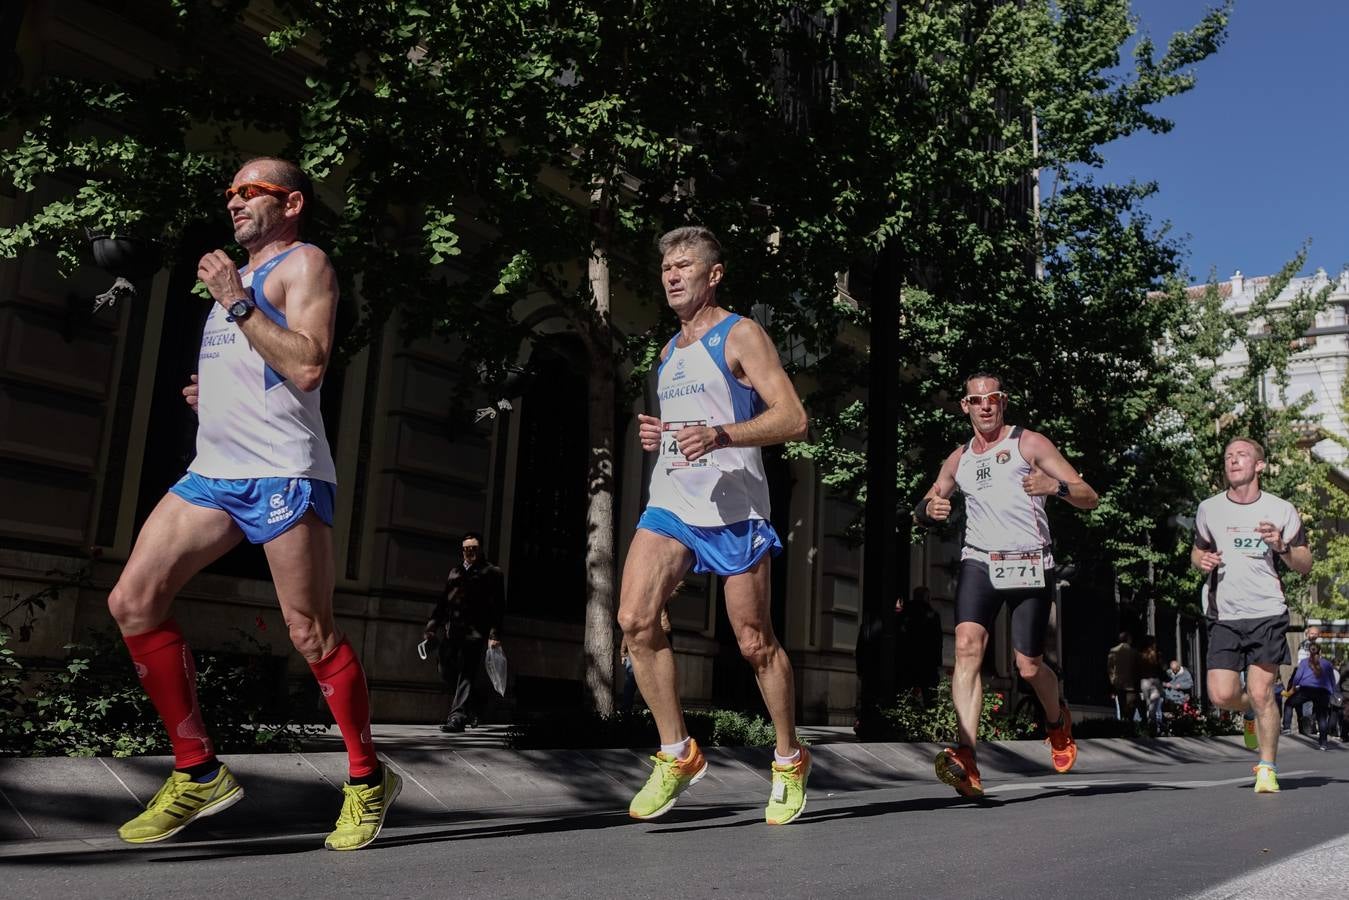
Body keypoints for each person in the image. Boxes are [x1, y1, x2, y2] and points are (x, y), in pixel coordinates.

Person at [107, 158, 399, 850]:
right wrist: (218, 394)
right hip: (214, 473)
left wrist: (236, 299)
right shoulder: (230, 283)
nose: (232, 201)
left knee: (310, 634)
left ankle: (365, 779)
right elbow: (264, 370)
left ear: (291, 202)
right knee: (132, 602)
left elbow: (305, 364)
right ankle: (197, 771)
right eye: (229, 191)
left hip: (281, 475)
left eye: (249, 191)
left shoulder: (305, 265)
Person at [617, 226, 811, 825]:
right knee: (634, 619)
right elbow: (685, 431)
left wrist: (722, 434)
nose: (672, 275)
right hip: (673, 502)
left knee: (755, 643)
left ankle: (788, 758)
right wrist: (660, 437)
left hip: (736, 510)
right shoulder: (669, 353)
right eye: (666, 268)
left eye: (683, 266)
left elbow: (794, 419)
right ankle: (677, 753)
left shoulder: (741, 334)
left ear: (713, 274)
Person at [916, 372, 1099, 797]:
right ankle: (967, 756)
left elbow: (1090, 496)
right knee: (965, 646)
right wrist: (931, 509)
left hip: (1029, 562)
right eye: (976, 400)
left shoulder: (1029, 443)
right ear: (965, 406)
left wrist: (1056, 487)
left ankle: (1057, 722)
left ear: (1002, 403)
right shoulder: (958, 459)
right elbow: (924, 505)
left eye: (992, 399)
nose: (985, 406)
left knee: (1028, 666)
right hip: (980, 561)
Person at [1192, 437, 1313, 792]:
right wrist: (1204, 561)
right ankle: (1249, 713)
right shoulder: (1208, 509)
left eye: (1242, 455)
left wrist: (1282, 546)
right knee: (1221, 696)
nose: (1233, 461)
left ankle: (1266, 766)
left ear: (1259, 465)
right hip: (1225, 614)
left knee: (1262, 692)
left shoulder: (1281, 509)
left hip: (1267, 613)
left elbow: (1304, 564)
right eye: (1229, 456)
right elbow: (1197, 554)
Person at [423, 532, 505, 732]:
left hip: (476, 634)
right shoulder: (455, 572)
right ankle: (475, 704)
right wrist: (432, 626)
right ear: (462, 551)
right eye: (466, 549)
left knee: (467, 673)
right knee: (445, 670)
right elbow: (444, 602)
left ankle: (457, 718)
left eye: (474, 548)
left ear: (481, 549)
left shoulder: (492, 572)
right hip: (452, 633)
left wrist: (494, 636)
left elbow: (498, 607)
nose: (470, 552)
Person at [1281, 642, 1335, 750]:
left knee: (1289, 703)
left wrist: (1294, 687)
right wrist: (1331, 692)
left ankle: (1287, 727)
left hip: (1306, 690)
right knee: (1322, 717)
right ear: (1320, 651)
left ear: (1309, 651)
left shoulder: (1304, 662)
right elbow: (1332, 680)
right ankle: (1323, 743)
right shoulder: (1327, 664)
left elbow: (1297, 677)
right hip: (1322, 691)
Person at [896, 586, 943, 707]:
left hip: (908, 659)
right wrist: (938, 661)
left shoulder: (905, 610)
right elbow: (938, 641)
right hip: (927, 661)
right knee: (930, 695)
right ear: (927, 597)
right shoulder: (932, 614)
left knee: (907, 691)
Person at [621, 607, 672, 714]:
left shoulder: (657, 603)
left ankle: (648, 714)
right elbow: (628, 630)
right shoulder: (635, 604)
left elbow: (666, 627)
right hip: (633, 650)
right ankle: (625, 714)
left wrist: (647, 636)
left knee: (649, 685)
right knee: (630, 685)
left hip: (648, 651)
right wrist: (623, 652)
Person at [1107, 632, 1140, 721]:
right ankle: (1129, 725)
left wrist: (1113, 680)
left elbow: (1110, 668)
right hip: (1131, 684)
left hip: (1119, 683)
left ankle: (1123, 724)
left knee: (1121, 706)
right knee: (1130, 707)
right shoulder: (1134, 652)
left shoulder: (1113, 651)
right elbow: (1137, 668)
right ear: (1128, 639)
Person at [1138, 635, 1164, 734]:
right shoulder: (1157, 654)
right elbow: (1162, 668)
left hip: (1143, 682)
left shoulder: (1140, 655)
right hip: (1154, 681)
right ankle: (1152, 727)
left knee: (1147, 704)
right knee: (1153, 707)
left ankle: (1144, 726)